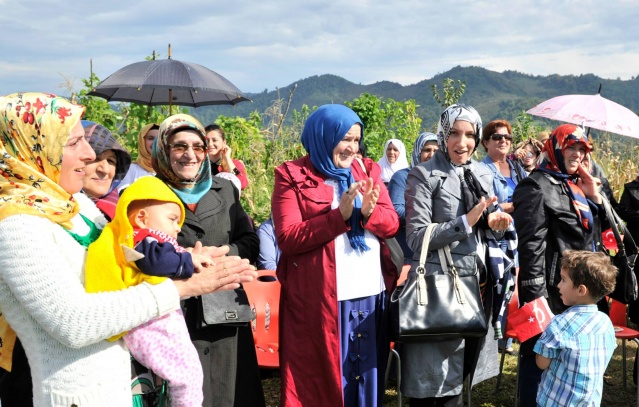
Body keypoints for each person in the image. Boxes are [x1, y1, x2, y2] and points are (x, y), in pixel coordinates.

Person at [0, 92, 256, 407]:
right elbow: (74, 323)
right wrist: (183, 287)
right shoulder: (16, 226)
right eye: (74, 143)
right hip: (75, 396)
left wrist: (188, 258)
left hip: (118, 386)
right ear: (32, 148)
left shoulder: (74, 205)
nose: (87, 155)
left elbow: (126, 254)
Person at [271, 104, 400, 407]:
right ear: (323, 136)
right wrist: (338, 217)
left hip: (370, 292)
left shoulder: (367, 170)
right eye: (345, 139)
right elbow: (288, 238)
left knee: (366, 382)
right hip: (321, 301)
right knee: (326, 382)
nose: (352, 148)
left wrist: (368, 214)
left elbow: (392, 223)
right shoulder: (291, 175)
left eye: (357, 140)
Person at [403, 104, 512, 407]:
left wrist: (495, 226)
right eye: (454, 133)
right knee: (431, 382)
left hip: (476, 287)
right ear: (443, 134)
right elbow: (416, 237)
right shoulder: (423, 174)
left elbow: (485, 227)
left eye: (469, 135)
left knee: (459, 376)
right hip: (439, 289)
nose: (462, 143)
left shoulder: (479, 174)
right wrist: (465, 222)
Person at [153, 114, 264, 407]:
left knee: (231, 391)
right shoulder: (147, 195)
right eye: (179, 146)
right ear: (164, 150)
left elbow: (250, 240)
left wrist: (219, 257)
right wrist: (189, 262)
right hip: (174, 313)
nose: (190, 154)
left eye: (198, 147)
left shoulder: (225, 190)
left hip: (225, 309)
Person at [85, 176, 213, 407]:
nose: (178, 227)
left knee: (182, 370)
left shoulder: (144, 239)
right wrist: (187, 261)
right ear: (142, 218)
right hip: (149, 321)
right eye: (173, 219)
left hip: (153, 319)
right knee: (186, 372)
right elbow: (157, 263)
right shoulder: (141, 238)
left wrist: (185, 256)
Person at [512, 123, 606, 407]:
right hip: (551, 298)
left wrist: (595, 197)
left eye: (582, 149)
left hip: (582, 296)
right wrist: (538, 311)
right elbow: (530, 253)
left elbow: (597, 236)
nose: (577, 154)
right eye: (571, 147)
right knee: (539, 373)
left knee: (572, 378)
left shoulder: (577, 185)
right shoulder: (535, 185)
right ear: (555, 148)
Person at [534, 250, 617, 407]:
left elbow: (542, 363)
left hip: (556, 402)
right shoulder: (606, 322)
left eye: (563, 280)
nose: (558, 285)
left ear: (581, 290)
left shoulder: (560, 324)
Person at [388, 132, 439, 263]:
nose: (432, 155)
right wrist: (431, 217)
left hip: (435, 252)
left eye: (436, 151)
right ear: (418, 152)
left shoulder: (443, 179)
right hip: (408, 252)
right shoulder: (403, 177)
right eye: (427, 150)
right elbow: (395, 209)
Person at [81, 120, 131, 219]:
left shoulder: (127, 213)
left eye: (111, 161)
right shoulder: (54, 209)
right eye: (95, 158)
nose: (105, 170)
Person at [480, 120, 527, 213]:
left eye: (507, 137)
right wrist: (516, 205)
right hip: (499, 226)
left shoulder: (517, 168)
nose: (503, 140)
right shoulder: (480, 170)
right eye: (497, 137)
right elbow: (485, 207)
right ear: (486, 143)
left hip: (522, 225)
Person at [205, 124, 249, 190]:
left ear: (224, 142)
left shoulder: (234, 164)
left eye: (214, 140)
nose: (210, 144)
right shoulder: (200, 165)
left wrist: (227, 159)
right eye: (207, 141)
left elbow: (242, 184)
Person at [118, 123, 159, 192]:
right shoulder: (131, 169)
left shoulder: (170, 170)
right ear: (142, 141)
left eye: (159, 139)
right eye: (151, 138)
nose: (155, 142)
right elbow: (122, 192)